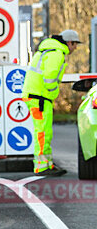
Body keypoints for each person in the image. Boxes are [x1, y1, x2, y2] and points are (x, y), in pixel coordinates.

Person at [21, 29, 81, 176]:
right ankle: (41, 166)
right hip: (40, 97)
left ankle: (46, 163)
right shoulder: (56, 53)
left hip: (38, 96)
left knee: (44, 132)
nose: (76, 48)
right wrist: (53, 92)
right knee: (42, 132)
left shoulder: (50, 49)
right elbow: (49, 77)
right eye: (75, 44)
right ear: (69, 42)